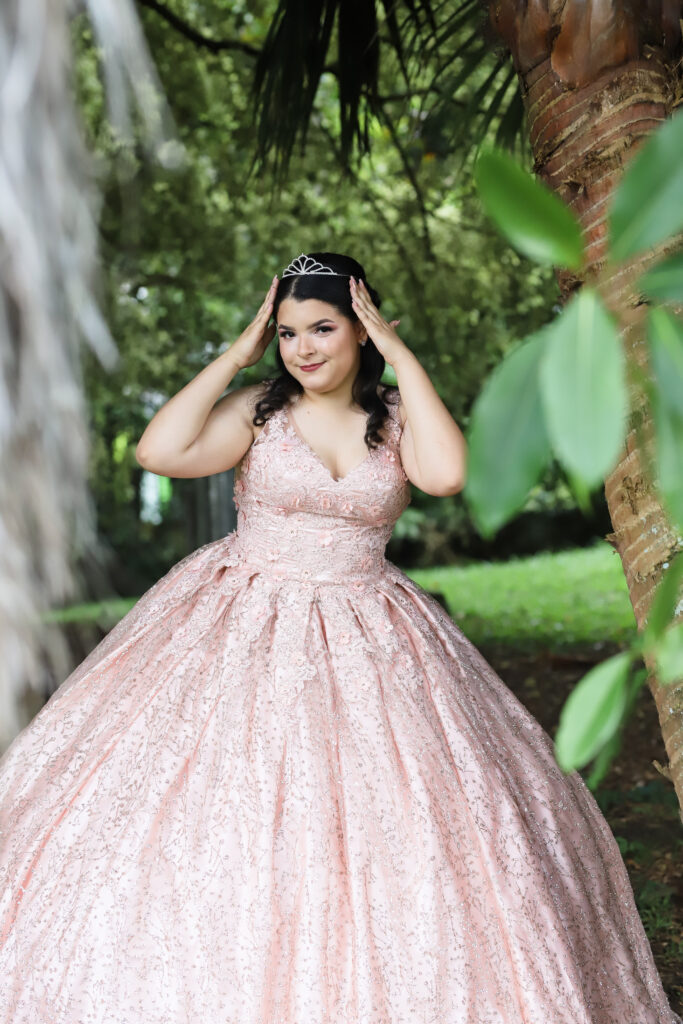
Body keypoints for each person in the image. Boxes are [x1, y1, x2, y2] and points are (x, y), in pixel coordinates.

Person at [0, 250, 679, 1024]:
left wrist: (401, 358)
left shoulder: (394, 416)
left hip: (370, 622)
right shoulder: (258, 410)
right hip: (242, 616)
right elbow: (161, 452)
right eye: (288, 333)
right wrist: (236, 354)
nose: (303, 348)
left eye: (322, 328)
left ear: (361, 327)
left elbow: (445, 474)